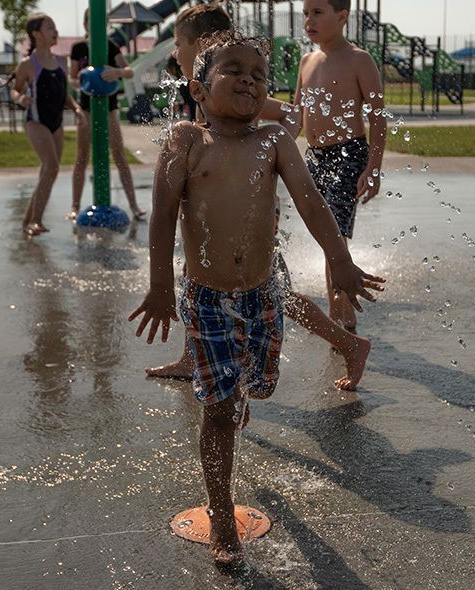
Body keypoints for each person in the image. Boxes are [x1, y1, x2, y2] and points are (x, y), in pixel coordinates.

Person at [128, 31, 385, 564]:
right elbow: (161, 218)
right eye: (233, 70)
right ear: (199, 90)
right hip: (208, 300)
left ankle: (235, 395)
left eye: (259, 75)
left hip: (263, 294)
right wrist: (159, 286)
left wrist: (339, 261)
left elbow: (313, 205)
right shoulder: (185, 141)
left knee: (258, 388)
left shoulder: (275, 141)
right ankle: (223, 521)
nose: (249, 79)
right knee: (220, 412)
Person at [147, 3, 372, 390]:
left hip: (249, 215)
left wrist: (261, 169)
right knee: (200, 279)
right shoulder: (194, 85)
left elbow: (289, 116)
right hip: (207, 215)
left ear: (203, 44)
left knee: (275, 291)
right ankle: (199, 361)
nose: (174, 51)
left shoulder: (233, 84)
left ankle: (347, 343)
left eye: (179, 42)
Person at [293, 0, 387, 333]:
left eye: (317, 13)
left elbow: (377, 119)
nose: (309, 20)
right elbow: (296, 118)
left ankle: (342, 315)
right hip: (314, 157)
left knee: (335, 236)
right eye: (305, 13)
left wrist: (372, 168)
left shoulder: (359, 60)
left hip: (347, 156)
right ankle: (338, 307)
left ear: (342, 17)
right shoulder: (307, 62)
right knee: (325, 235)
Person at [11, 13, 87, 237]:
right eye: (50, 28)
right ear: (36, 35)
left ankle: (27, 221)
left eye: (55, 27)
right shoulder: (28, 64)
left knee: (48, 171)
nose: (55, 31)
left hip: (56, 124)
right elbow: (15, 89)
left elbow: (64, 95)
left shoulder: (61, 62)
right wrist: (20, 99)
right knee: (51, 167)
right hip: (36, 122)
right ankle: (35, 220)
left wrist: (76, 109)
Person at [69, 8, 146, 221]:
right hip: (86, 107)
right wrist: (84, 80)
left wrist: (117, 73)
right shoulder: (78, 48)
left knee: (119, 155)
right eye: (92, 22)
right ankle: (75, 206)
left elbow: (129, 71)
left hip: (109, 107)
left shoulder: (111, 47)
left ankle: (134, 205)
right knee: (81, 157)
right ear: (86, 24)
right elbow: (72, 78)